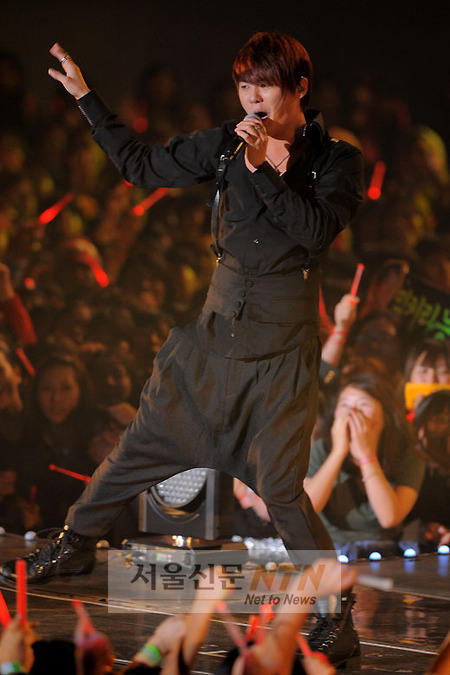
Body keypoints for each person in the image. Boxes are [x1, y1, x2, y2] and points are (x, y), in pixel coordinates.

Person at [1, 32, 363, 665]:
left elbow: (314, 230)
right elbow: (139, 166)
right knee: (140, 445)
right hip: (214, 338)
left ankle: (335, 613)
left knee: (281, 489)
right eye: (244, 85)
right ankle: (75, 542)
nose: (253, 98)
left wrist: (261, 171)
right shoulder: (226, 142)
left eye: (266, 84)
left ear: (299, 87)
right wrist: (86, 98)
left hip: (281, 350)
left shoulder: (334, 160)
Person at [304, 372, 425, 559]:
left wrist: (366, 456)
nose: (352, 412)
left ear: (384, 414)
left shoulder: (407, 454)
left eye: (363, 404)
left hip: (384, 553)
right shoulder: (322, 449)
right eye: (344, 405)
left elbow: (389, 518)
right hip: (329, 550)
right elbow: (307, 509)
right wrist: (338, 452)